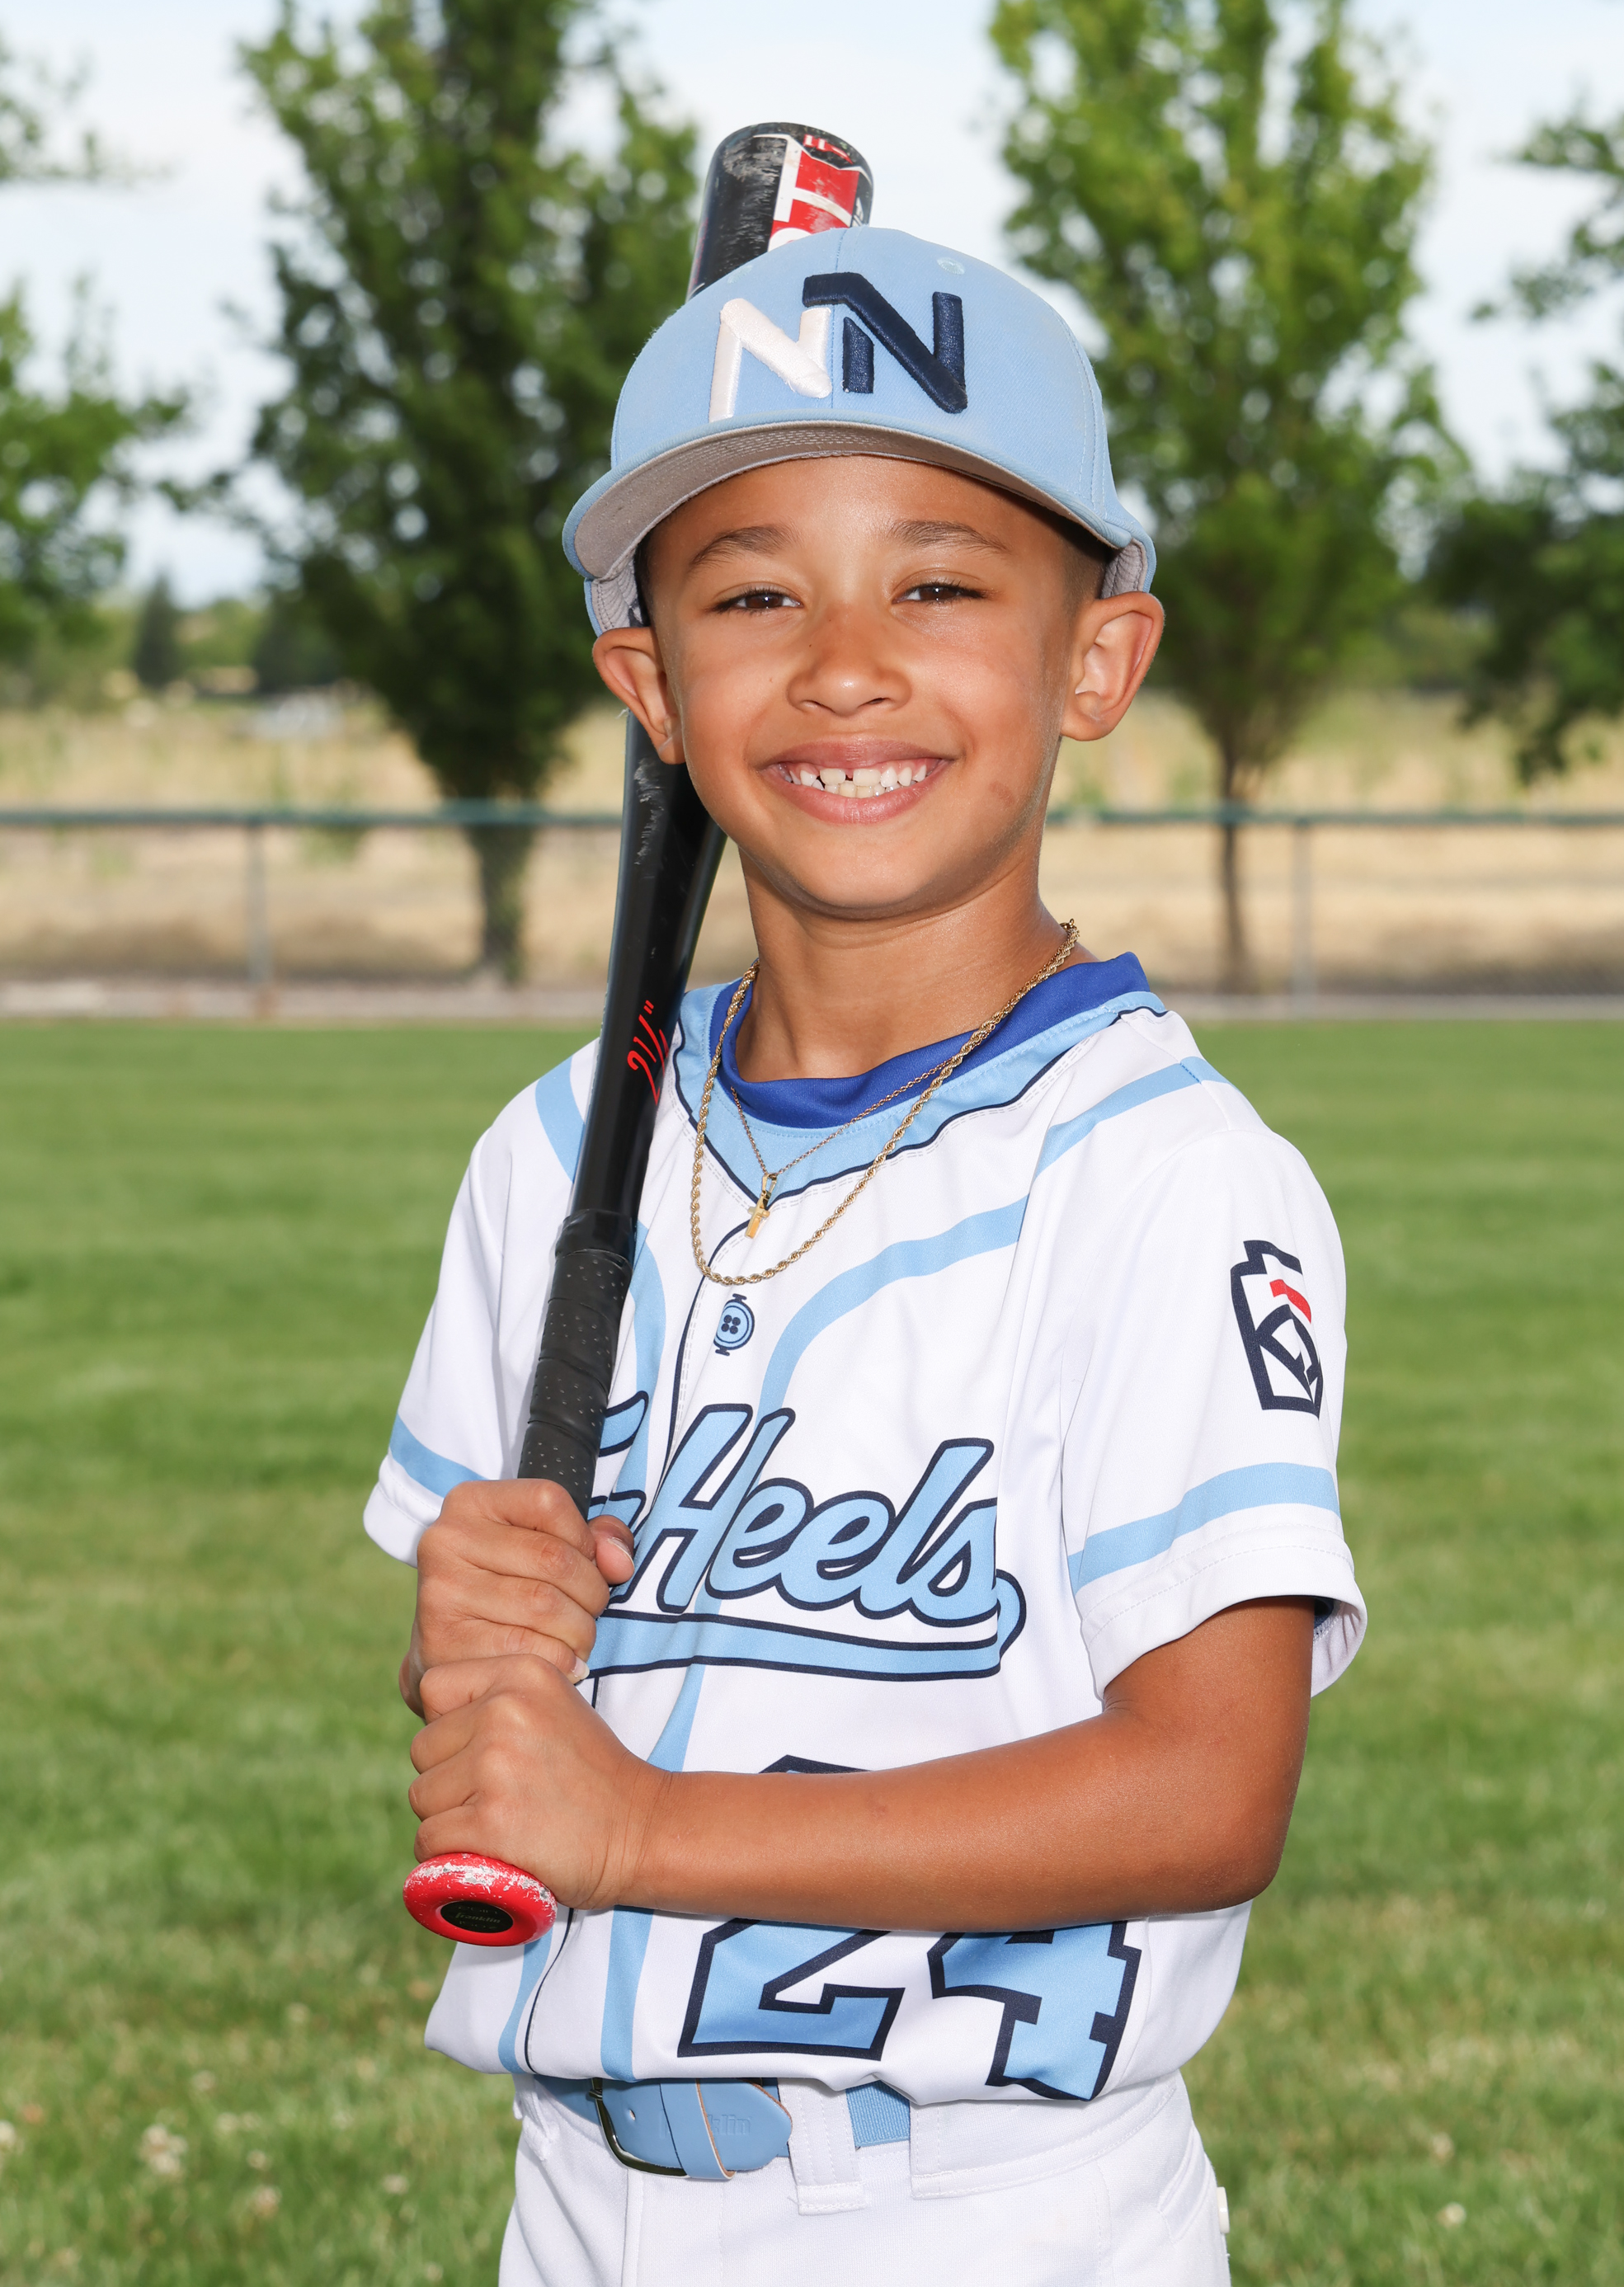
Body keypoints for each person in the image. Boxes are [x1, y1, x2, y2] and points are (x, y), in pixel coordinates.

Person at [365, 226, 1365, 2287]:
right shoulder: (554, 1156)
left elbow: (1206, 1783)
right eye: (751, 594)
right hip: (579, 2199)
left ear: (1097, 657)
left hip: (986, 2205)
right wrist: (473, 1635)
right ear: (651, 687)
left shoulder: (1163, 1174)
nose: (842, 663)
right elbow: (521, 1729)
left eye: (937, 583)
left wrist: (645, 1834)